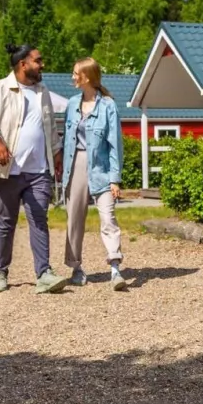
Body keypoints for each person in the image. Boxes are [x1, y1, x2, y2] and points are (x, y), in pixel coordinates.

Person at [0, 44, 66, 294]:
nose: (43, 65)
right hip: (9, 170)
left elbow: (49, 126)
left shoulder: (43, 91)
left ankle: (44, 273)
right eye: (38, 60)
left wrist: (57, 152)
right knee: (7, 221)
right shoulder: (0, 89)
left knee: (39, 218)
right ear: (23, 64)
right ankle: (0, 271)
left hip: (38, 170)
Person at [60, 57, 127, 290]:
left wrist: (115, 178)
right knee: (74, 220)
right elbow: (66, 141)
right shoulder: (71, 104)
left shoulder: (108, 106)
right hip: (75, 163)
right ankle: (76, 268)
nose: (72, 77)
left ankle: (115, 268)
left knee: (108, 217)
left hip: (101, 168)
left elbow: (115, 145)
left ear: (86, 76)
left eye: (75, 73)